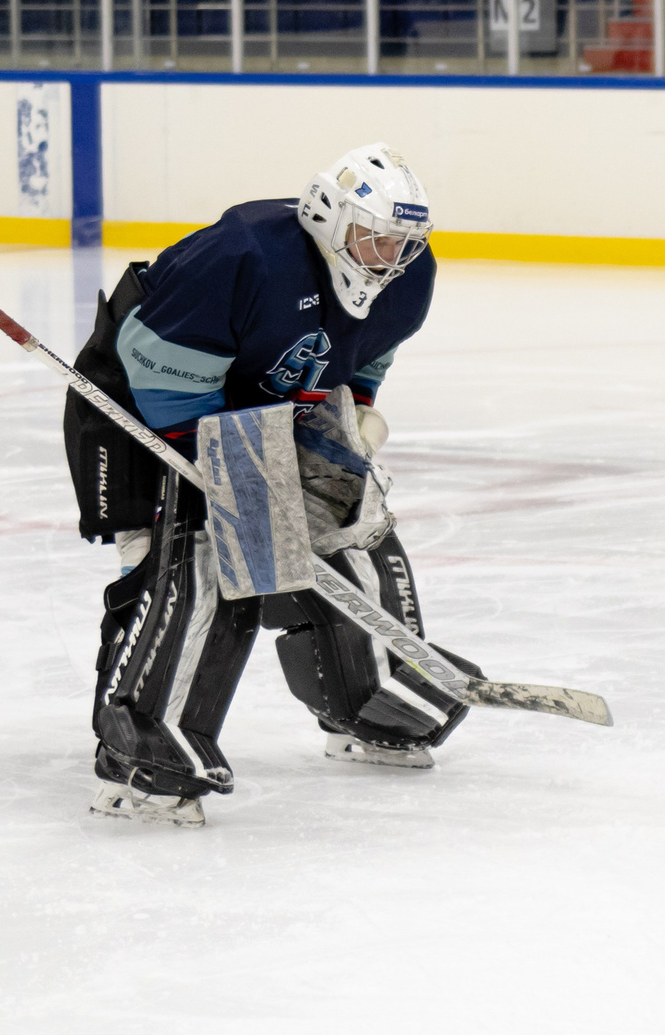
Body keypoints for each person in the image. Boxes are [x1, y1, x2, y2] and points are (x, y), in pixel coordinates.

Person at [63, 142, 469, 826]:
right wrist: (242, 492)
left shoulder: (409, 273)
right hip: (139, 403)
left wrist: (354, 418)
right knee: (191, 556)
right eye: (375, 238)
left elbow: (367, 354)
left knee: (349, 513)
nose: (390, 257)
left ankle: (377, 702)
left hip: (265, 408)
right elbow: (164, 385)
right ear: (329, 218)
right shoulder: (243, 256)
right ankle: (146, 745)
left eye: (403, 243)